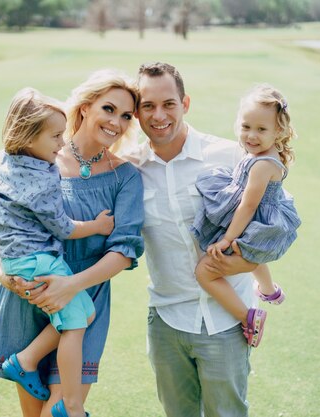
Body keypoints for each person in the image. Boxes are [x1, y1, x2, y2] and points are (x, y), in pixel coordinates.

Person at [0, 69, 144, 417]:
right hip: (31, 297)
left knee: (60, 411)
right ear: (86, 107)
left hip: (86, 296)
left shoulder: (126, 176)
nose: (117, 122)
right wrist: (1, 272)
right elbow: (4, 226)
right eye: (109, 108)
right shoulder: (39, 157)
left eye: (127, 115)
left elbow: (124, 251)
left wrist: (70, 286)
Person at [124, 61, 258, 417]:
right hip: (166, 322)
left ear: (185, 104)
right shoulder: (128, 169)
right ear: (136, 113)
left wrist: (238, 272)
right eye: (147, 106)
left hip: (225, 322)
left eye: (168, 104)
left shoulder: (230, 156)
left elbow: (272, 233)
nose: (159, 115)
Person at [191, 84, 301, 348]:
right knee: (254, 253)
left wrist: (227, 239)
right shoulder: (258, 154)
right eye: (246, 127)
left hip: (256, 222)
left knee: (205, 272)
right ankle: (268, 289)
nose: (251, 136)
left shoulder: (263, 164)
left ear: (279, 131)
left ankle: (249, 316)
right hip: (253, 222)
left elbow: (248, 206)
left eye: (261, 130)